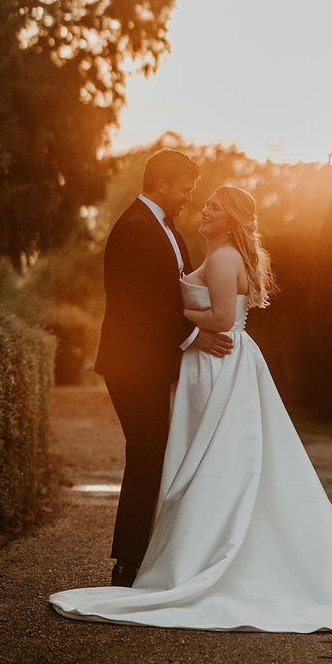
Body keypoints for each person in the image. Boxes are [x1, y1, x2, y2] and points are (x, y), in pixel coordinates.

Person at [50, 185, 332, 632]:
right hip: (217, 363)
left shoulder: (222, 259)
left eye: (215, 208)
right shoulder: (220, 253)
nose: (205, 212)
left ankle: (207, 553)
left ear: (232, 219)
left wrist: (176, 317)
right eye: (207, 205)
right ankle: (200, 545)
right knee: (216, 456)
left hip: (217, 362)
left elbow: (220, 319)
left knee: (216, 457)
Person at [93, 149, 233, 588]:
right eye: (184, 189)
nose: (188, 198)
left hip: (154, 362)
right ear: (161, 184)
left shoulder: (165, 228)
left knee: (156, 454)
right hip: (133, 365)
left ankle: (146, 556)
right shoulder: (135, 229)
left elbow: (176, 292)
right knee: (148, 453)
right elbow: (144, 304)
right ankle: (128, 564)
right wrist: (195, 336)